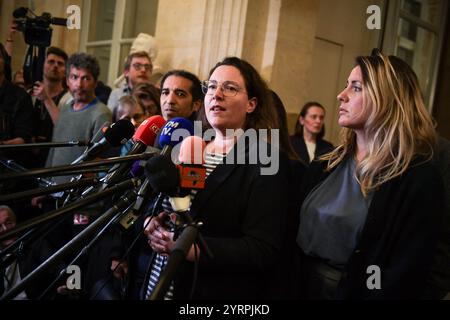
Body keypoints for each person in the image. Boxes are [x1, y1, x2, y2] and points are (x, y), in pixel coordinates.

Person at [296, 50, 445, 299]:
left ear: (387, 98)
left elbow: (405, 275)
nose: (341, 96)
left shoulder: (418, 179)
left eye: (355, 88)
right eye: (346, 86)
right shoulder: (326, 163)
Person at [143, 57, 288, 299]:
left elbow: (261, 249)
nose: (216, 95)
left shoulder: (265, 159)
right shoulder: (186, 146)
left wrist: (186, 250)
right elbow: (155, 204)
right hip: (157, 285)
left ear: (251, 104)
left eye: (230, 88)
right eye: (211, 86)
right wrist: (150, 222)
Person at [31, 46, 69, 168]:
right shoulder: (30, 94)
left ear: (65, 71)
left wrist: (46, 99)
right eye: (51, 62)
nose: (55, 66)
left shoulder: (69, 98)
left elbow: (63, 128)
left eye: (60, 63)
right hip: (27, 157)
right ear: (43, 65)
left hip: (53, 159)